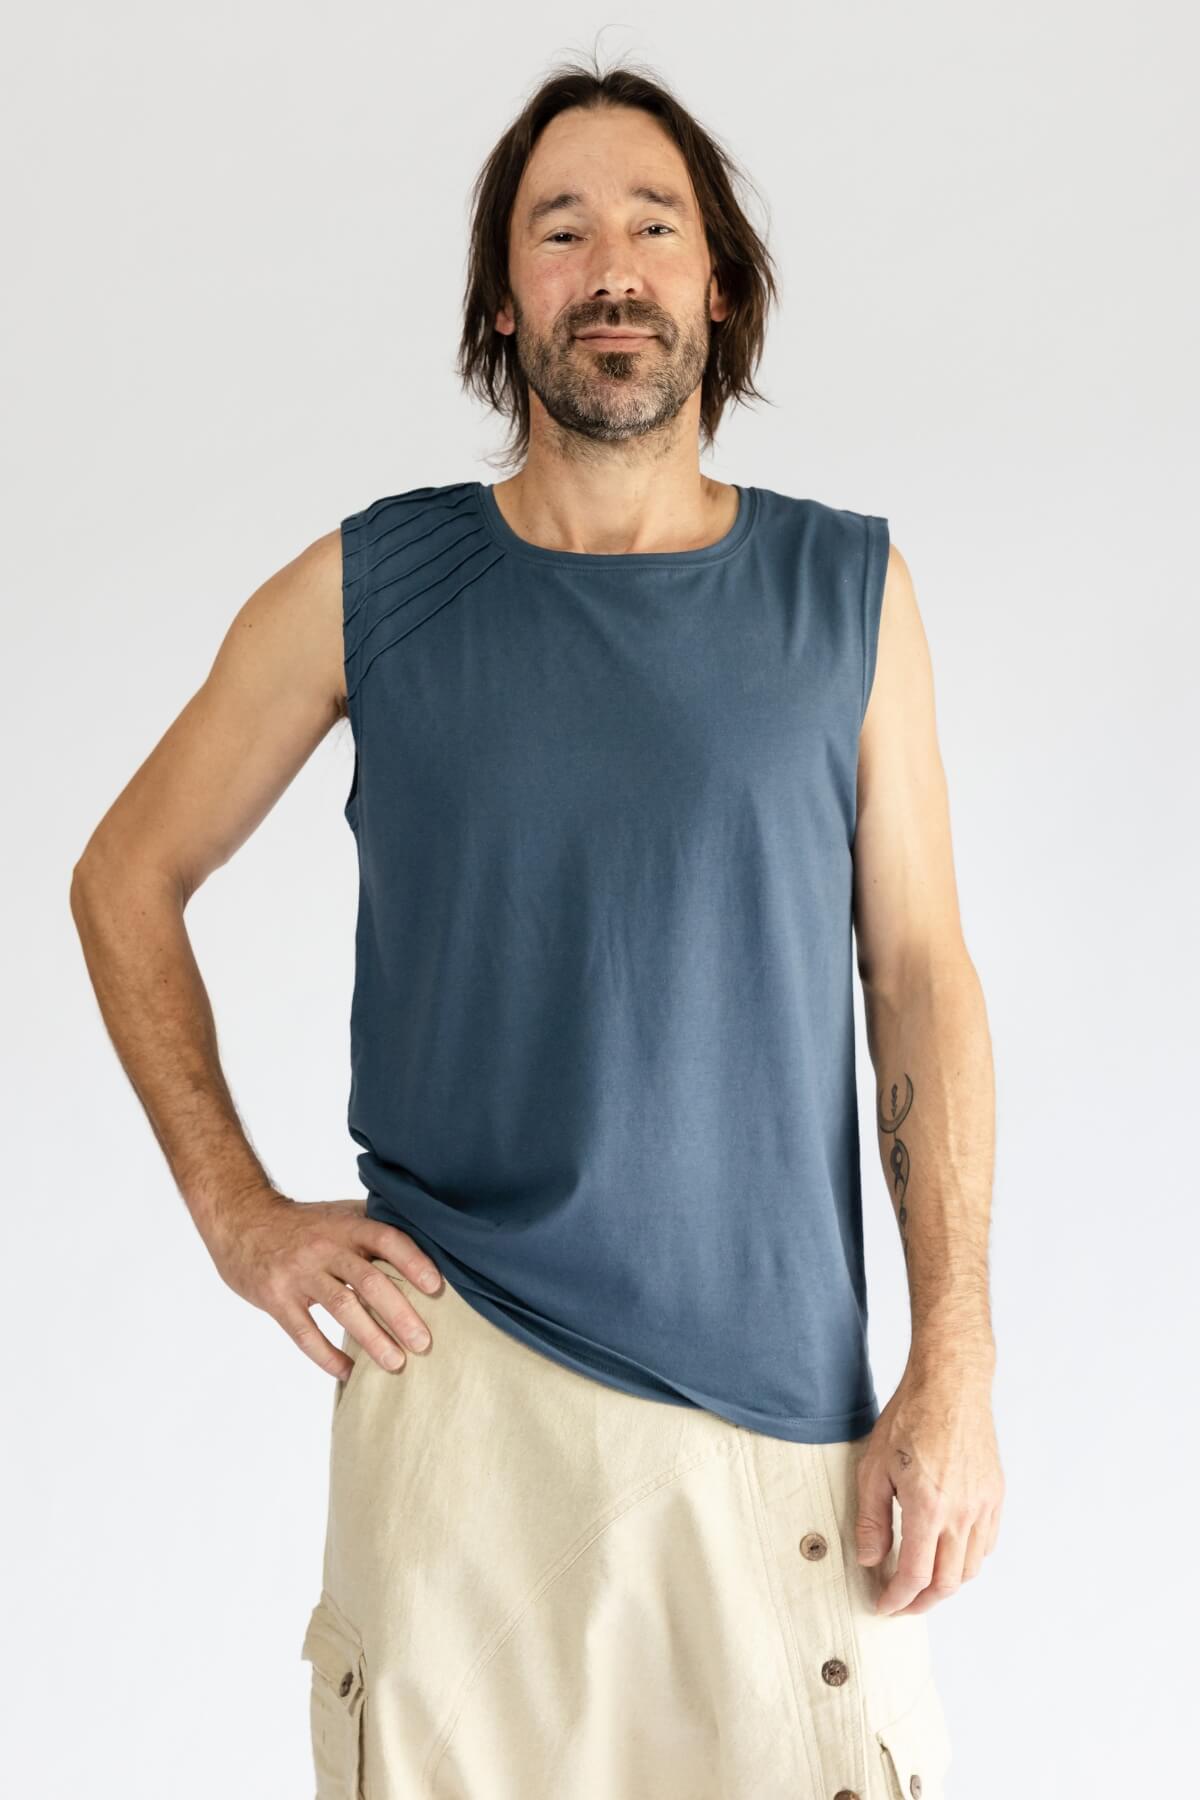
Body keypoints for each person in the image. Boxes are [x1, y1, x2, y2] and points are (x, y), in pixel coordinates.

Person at [70, 51, 1003, 1800]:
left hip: (778, 1430)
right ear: (505, 301)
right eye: (560, 232)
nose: (611, 267)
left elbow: (922, 982)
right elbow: (124, 875)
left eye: (654, 225)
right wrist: (237, 1214)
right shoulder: (376, 586)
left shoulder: (847, 595)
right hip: (462, 1416)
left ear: (717, 284)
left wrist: (953, 1357)